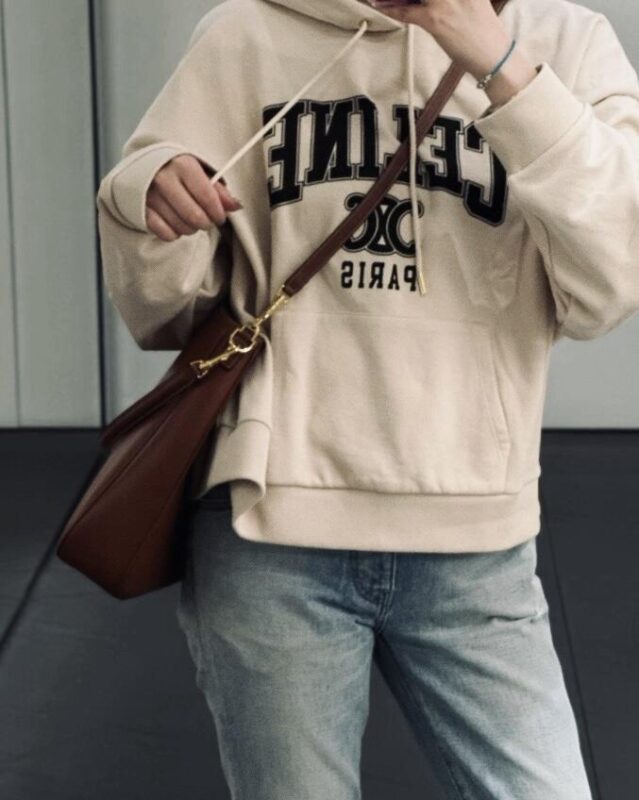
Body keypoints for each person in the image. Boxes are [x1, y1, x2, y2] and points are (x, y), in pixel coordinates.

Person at [96, 0, 639, 797]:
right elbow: (163, 311)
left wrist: (497, 61)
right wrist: (143, 199)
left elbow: (609, 284)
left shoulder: (567, 40)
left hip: (475, 539)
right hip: (270, 528)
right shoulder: (247, 32)